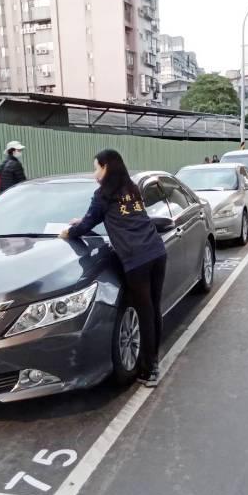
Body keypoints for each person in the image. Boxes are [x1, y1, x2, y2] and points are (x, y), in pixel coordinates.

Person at [59, 149, 166, 387]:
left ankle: (150, 370)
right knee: (152, 309)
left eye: (96, 168)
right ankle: (154, 362)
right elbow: (98, 218)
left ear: (106, 167)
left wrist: (68, 231)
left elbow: (87, 224)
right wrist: (83, 221)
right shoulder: (131, 189)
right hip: (156, 251)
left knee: (145, 312)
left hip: (136, 258)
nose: (94, 174)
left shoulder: (103, 195)